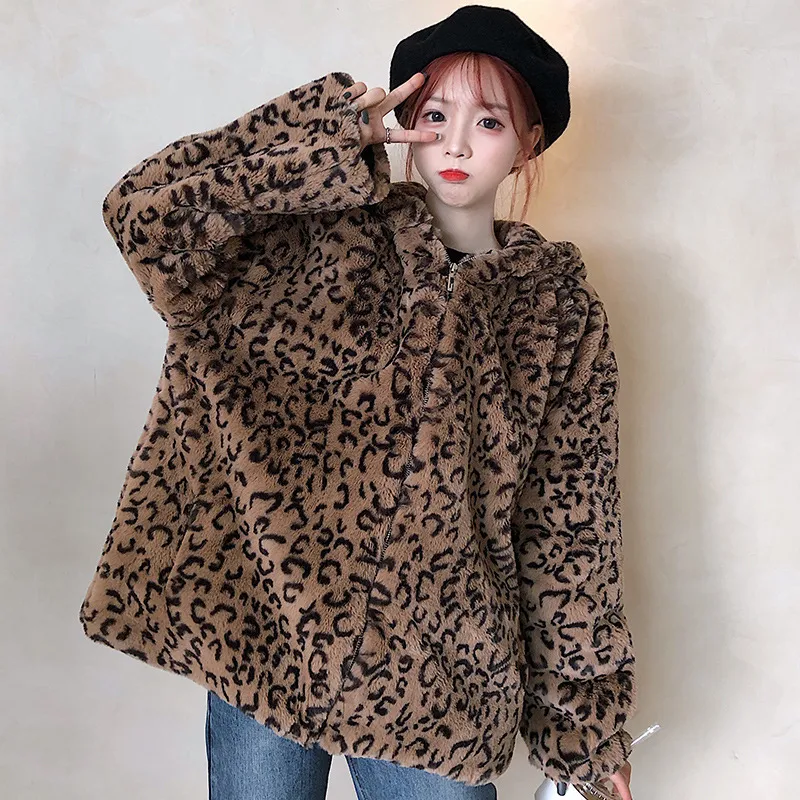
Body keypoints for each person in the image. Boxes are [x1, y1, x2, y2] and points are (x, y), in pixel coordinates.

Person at [78, 5, 638, 800]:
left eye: (488, 121)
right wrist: (320, 133)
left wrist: (585, 735)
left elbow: (571, 527)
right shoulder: (314, 240)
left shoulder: (558, 314)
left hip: (439, 682)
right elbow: (142, 215)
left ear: (528, 142)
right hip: (266, 639)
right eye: (434, 115)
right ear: (404, 122)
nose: (454, 143)